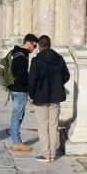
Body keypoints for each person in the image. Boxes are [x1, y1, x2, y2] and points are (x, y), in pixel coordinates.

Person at [28, 34, 70, 162]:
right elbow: (66, 76)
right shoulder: (59, 59)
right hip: (55, 97)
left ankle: (45, 154)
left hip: (41, 97)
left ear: (39, 46)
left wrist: (32, 94)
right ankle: (52, 153)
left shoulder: (36, 61)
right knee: (53, 125)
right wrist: (57, 84)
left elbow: (32, 80)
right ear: (50, 45)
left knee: (42, 126)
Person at [8, 33, 39, 152]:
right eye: (34, 45)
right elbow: (21, 75)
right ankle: (16, 141)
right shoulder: (22, 56)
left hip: (14, 88)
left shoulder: (15, 53)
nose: (34, 48)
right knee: (18, 115)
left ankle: (16, 139)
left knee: (18, 114)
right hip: (20, 90)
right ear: (29, 43)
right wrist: (29, 85)